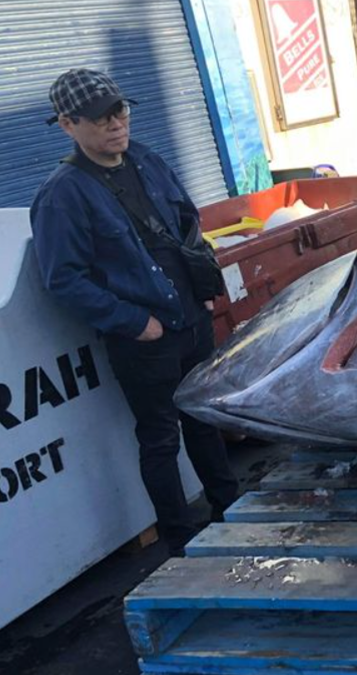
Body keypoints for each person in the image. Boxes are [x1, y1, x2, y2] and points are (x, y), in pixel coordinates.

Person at [30, 69, 240, 556]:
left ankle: (231, 509)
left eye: (119, 111)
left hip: (192, 318)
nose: (115, 124)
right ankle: (182, 541)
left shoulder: (148, 159)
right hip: (145, 339)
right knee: (161, 438)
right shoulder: (62, 194)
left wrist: (206, 288)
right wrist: (133, 323)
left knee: (205, 418)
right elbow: (63, 279)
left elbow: (188, 222)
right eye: (100, 118)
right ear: (67, 125)